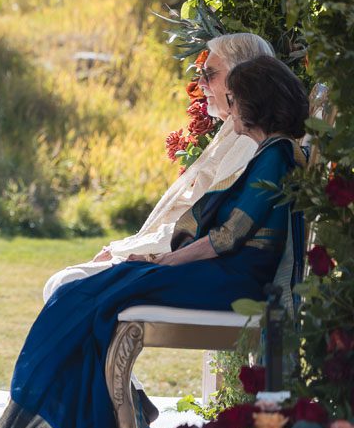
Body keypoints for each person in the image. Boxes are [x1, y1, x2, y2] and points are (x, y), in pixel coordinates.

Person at [0, 55, 308, 428]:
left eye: (235, 96)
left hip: (235, 278)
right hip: (224, 271)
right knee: (90, 293)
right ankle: (97, 423)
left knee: (97, 296)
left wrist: (165, 263)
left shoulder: (275, 156)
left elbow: (228, 237)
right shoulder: (272, 152)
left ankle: (93, 426)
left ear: (256, 103)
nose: (230, 104)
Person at [43, 32, 275, 301]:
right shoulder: (233, 132)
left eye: (209, 74)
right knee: (66, 284)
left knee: (67, 284)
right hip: (181, 260)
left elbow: (209, 227)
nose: (201, 84)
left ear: (241, 77)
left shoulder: (249, 141)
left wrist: (133, 253)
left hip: (199, 270)